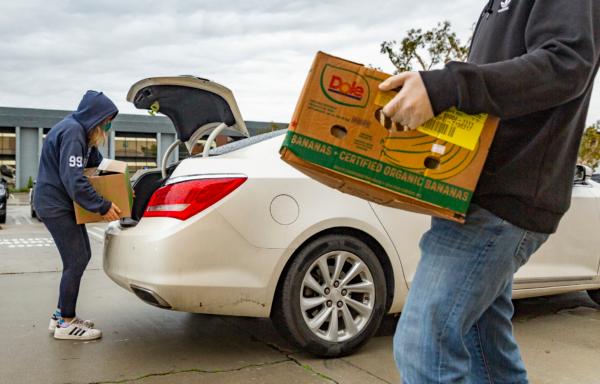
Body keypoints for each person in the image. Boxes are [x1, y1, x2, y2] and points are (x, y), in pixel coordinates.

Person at [379, 1, 600, 383]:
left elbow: (567, 63)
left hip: (503, 199)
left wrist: (447, 85)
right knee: (487, 351)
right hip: (474, 196)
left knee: (423, 345)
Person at [34, 90, 122, 341]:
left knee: (81, 256)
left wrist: (118, 185)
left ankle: (60, 315)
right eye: (106, 120)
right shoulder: (72, 132)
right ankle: (66, 323)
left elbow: (97, 166)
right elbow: (74, 179)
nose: (108, 125)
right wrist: (103, 205)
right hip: (55, 204)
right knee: (76, 260)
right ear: (95, 117)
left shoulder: (81, 133)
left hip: (61, 203)